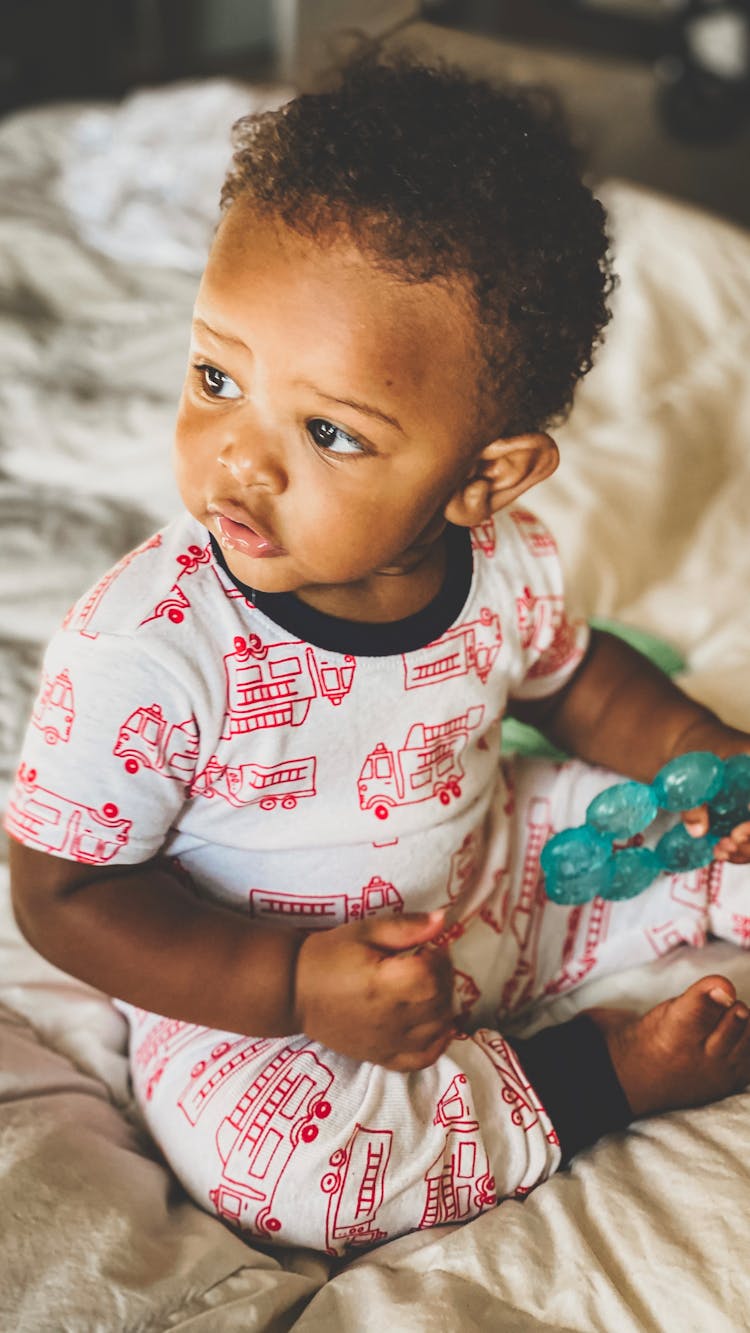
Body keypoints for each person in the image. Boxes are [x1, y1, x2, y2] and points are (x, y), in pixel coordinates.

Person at [6, 52, 750, 1256]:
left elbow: (576, 677)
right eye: (216, 376)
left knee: (686, 834)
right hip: (254, 983)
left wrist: (697, 751)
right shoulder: (148, 646)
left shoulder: (504, 560)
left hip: (498, 878)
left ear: (484, 476)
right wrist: (293, 985)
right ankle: (594, 1080)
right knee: (284, 1169)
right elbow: (60, 894)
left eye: (331, 430)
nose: (241, 462)